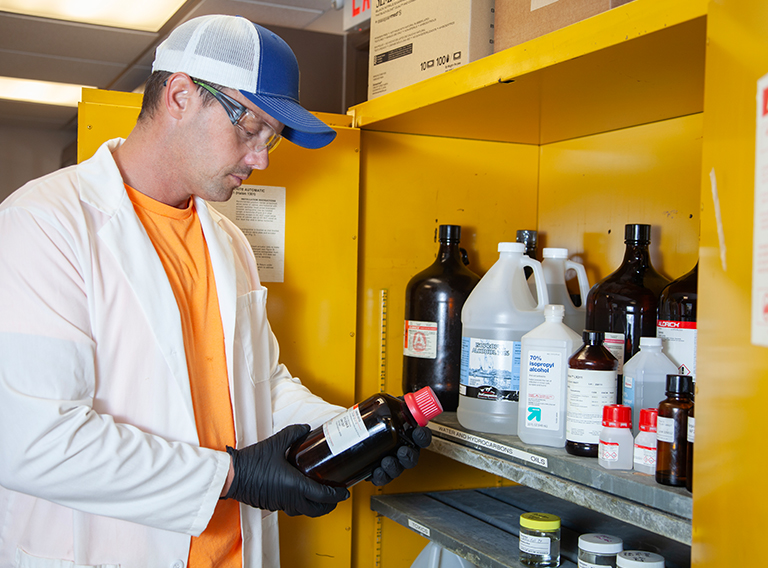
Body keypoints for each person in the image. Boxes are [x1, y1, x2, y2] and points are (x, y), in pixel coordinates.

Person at [0, 14, 431, 568]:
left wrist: (351, 435)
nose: (261, 158)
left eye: (272, 139)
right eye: (249, 128)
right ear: (180, 95)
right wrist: (233, 475)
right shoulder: (43, 225)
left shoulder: (228, 242)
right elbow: (33, 441)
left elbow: (259, 384)